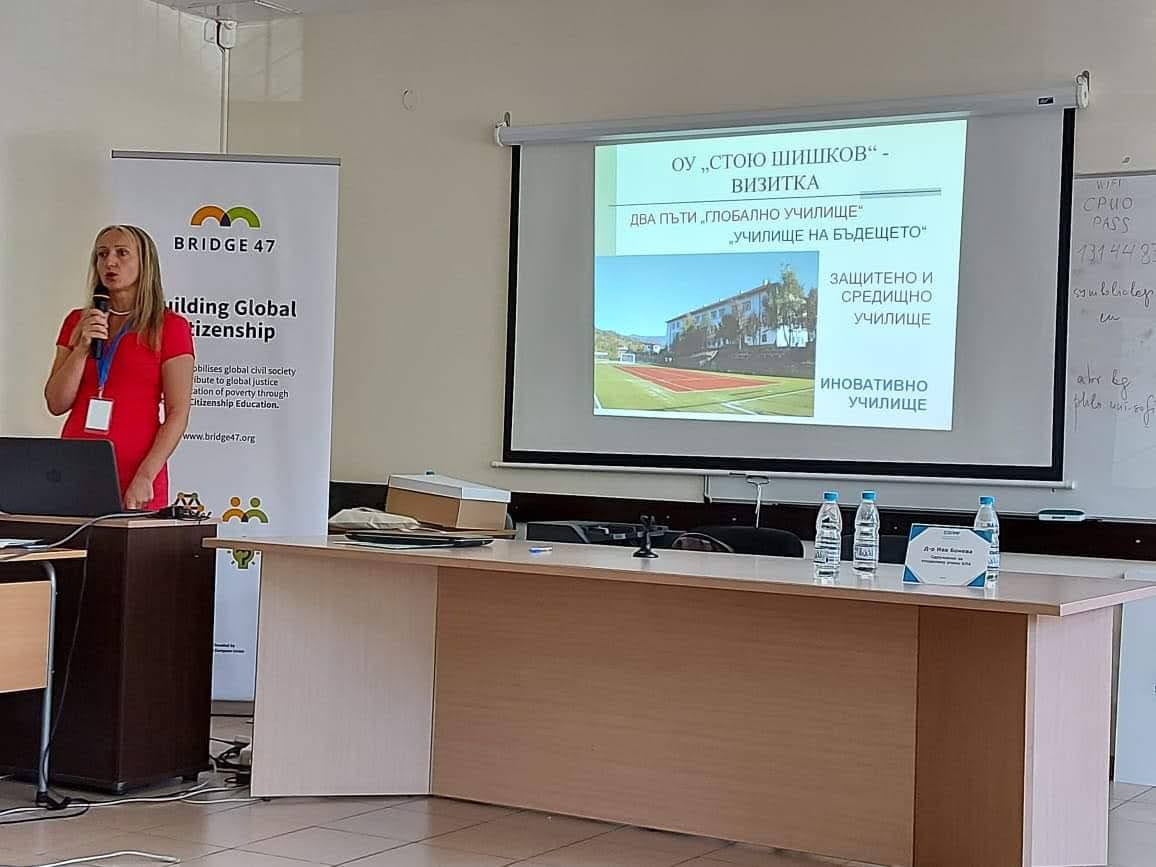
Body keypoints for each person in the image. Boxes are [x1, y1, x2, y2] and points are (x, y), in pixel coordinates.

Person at [44, 225, 194, 510]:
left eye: (121, 253)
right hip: (74, 469)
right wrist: (81, 349)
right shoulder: (78, 321)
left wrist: (146, 475)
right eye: (102, 254)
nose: (109, 262)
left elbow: (178, 413)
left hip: (136, 474)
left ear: (145, 263)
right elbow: (56, 402)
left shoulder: (170, 327)